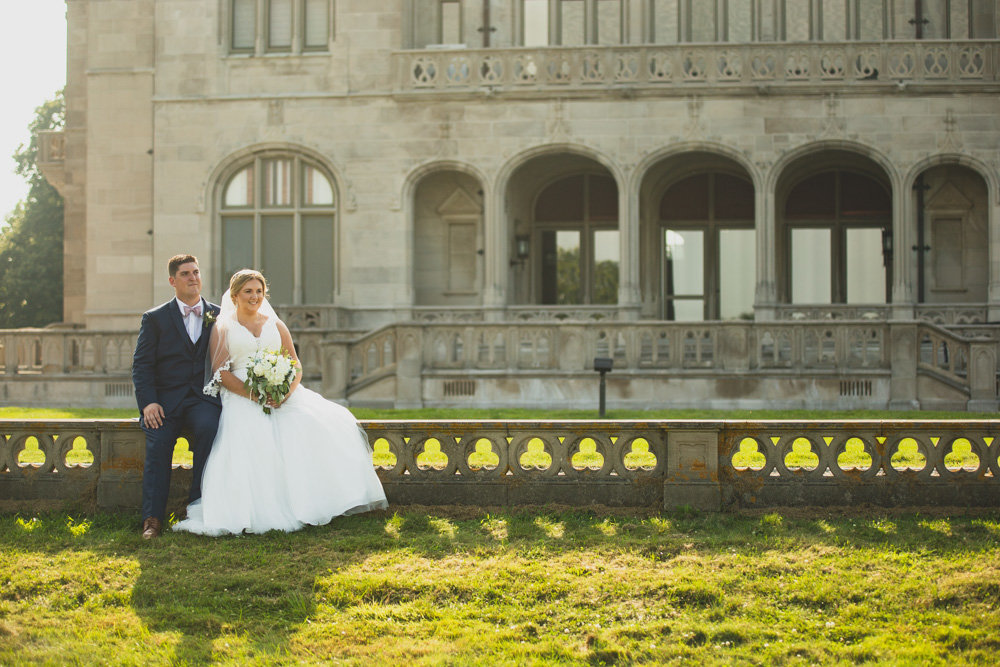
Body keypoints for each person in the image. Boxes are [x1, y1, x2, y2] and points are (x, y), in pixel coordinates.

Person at [173, 269, 387, 536]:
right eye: (248, 291)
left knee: (323, 423)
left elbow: (295, 364)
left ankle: (312, 499)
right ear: (235, 295)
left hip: (281, 393)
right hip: (242, 395)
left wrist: (284, 392)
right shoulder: (223, 326)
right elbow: (221, 372)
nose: (255, 297)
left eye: (259, 291)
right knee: (252, 433)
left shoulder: (276, 325)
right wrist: (255, 394)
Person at [132, 254, 223, 539]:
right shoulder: (155, 318)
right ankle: (152, 519)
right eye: (185, 273)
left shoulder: (219, 315)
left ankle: (197, 511)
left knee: (210, 431)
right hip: (165, 402)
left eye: (196, 272)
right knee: (158, 446)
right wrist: (148, 402)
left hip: (202, 400)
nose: (193, 277)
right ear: (173, 281)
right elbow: (142, 365)